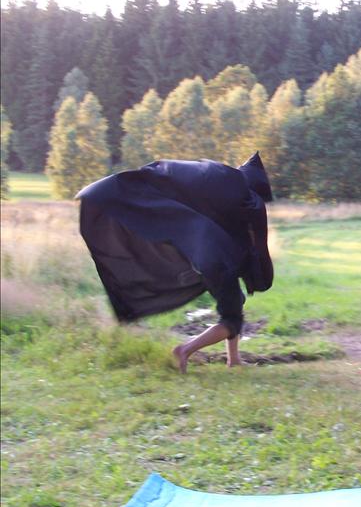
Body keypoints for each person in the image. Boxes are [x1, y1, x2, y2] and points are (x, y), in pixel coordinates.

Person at [77, 152, 274, 374]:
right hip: (216, 261)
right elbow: (256, 244)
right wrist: (259, 277)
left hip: (205, 258)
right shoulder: (249, 203)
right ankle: (185, 350)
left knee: (235, 300)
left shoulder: (220, 187)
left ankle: (234, 359)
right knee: (231, 319)